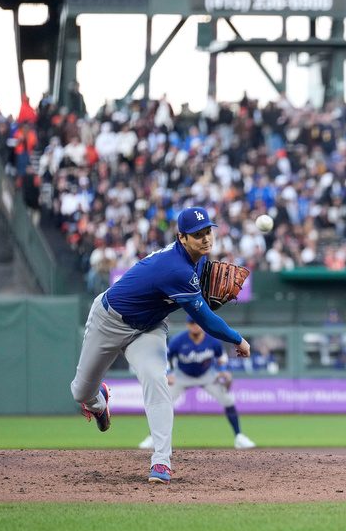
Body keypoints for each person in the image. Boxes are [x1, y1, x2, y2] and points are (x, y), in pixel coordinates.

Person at [70, 207, 252, 484]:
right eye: (197, 235)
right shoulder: (175, 268)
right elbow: (205, 320)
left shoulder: (198, 261)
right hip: (108, 322)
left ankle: (162, 462)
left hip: (149, 328)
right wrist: (239, 340)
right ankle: (98, 403)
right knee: (81, 392)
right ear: (182, 238)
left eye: (208, 232)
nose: (206, 240)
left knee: (156, 380)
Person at [137, 317, 256, 451]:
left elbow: (221, 356)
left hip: (207, 375)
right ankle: (153, 438)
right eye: (192, 323)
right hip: (182, 375)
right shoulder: (178, 340)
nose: (195, 325)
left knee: (228, 401)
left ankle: (239, 437)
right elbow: (167, 356)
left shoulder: (212, 340)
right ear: (188, 325)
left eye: (198, 322)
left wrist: (223, 371)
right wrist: (168, 373)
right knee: (163, 402)